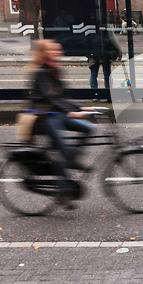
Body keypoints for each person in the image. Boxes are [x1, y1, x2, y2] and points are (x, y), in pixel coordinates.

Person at [26, 39, 95, 208]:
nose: (58, 52)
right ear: (44, 53)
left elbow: (60, 98)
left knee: (89, 129)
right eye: (53, 50)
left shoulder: (53, 69)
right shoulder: (41, 72)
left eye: (57, 50)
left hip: (56, 114)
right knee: (65, 151)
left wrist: (80, 107)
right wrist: (72, 113)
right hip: (44, 117)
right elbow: (48, 98)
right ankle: (62, 191)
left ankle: (70, 159)